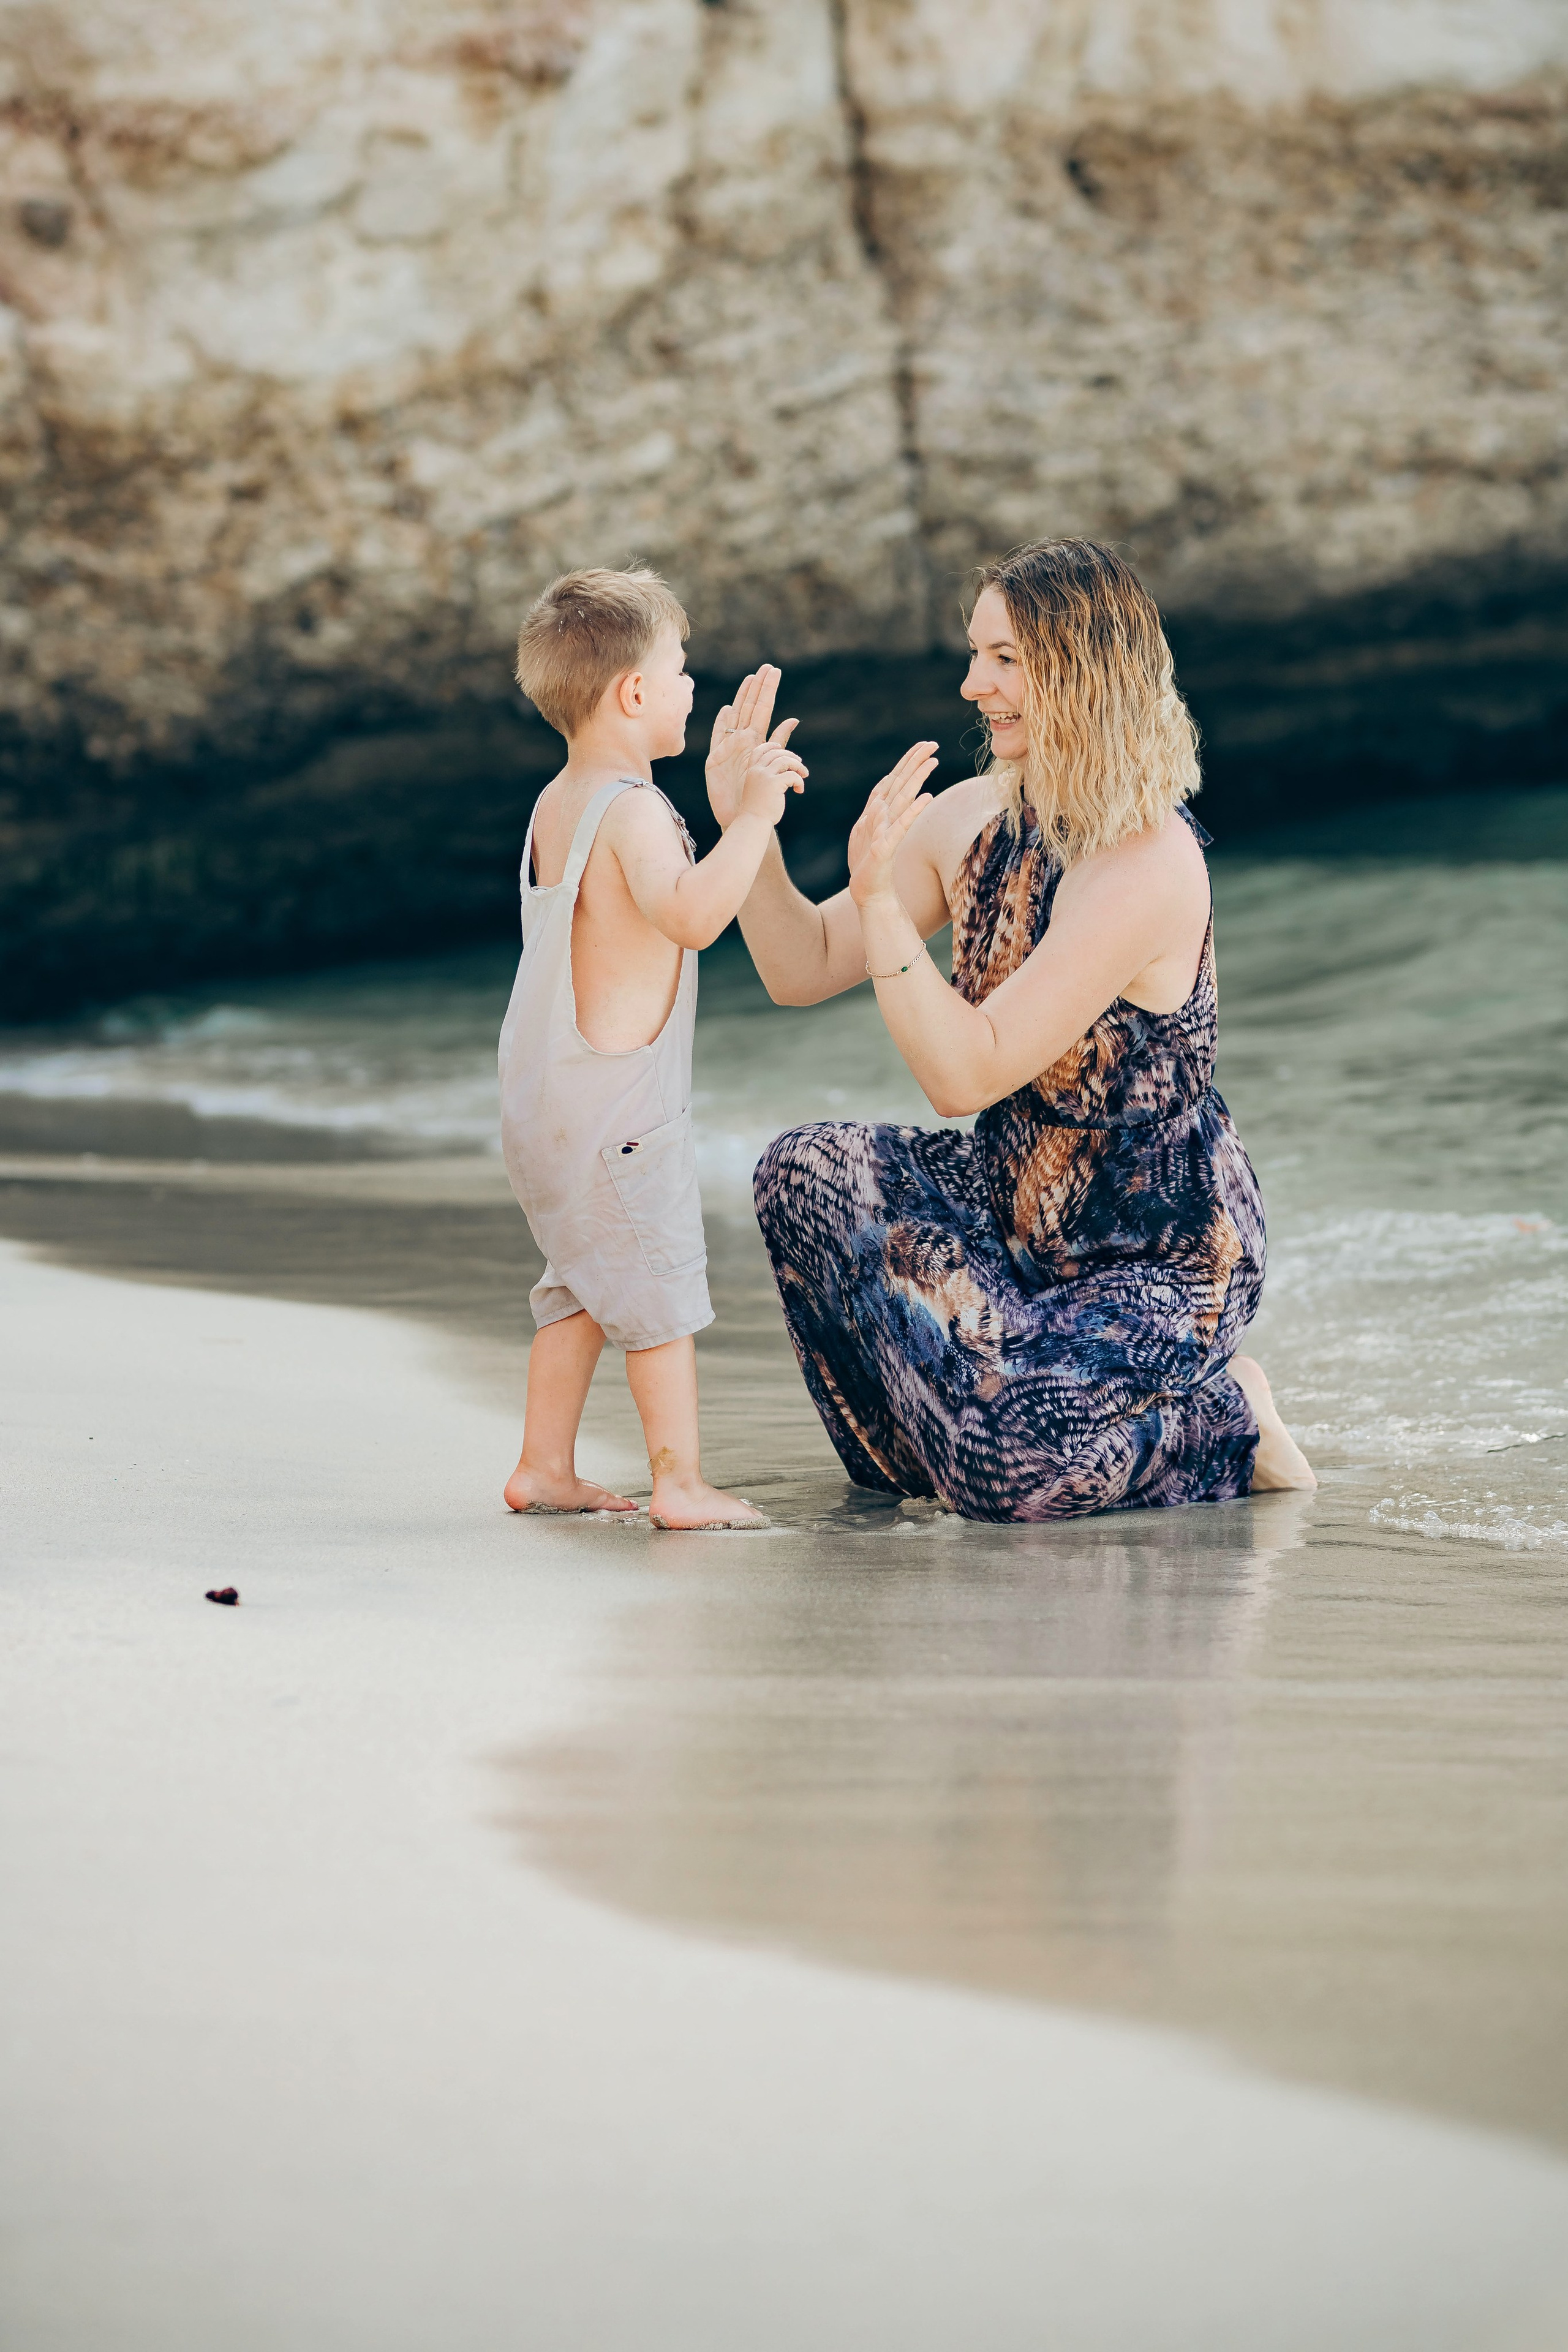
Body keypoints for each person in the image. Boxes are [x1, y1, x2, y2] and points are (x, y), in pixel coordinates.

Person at [713, 537, 1314, 1521]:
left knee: (1009, 1475)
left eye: (1004, 659)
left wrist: (883, 908)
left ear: (1082, 671)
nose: (972, 684)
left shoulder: (1146, 862)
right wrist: (748, 828)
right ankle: (939, 1456)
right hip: (1011, 1209)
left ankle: (1229, 1420)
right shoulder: (973, 816)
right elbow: (801, 965)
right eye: (975, 654)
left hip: (1157, 1259)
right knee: (804, 1171)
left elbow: (966, 1075)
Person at [498, 565, 804, 1529]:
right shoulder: (633, 809)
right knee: (659, 1293)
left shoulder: (559, 802)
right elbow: (693, 915)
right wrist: (752, 821)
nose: (690, 688)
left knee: (581, 1287)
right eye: (680, 671)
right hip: (620, 1114)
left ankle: (544, 1467)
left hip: (550, 1102)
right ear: (634, 693)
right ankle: (680, 1483)